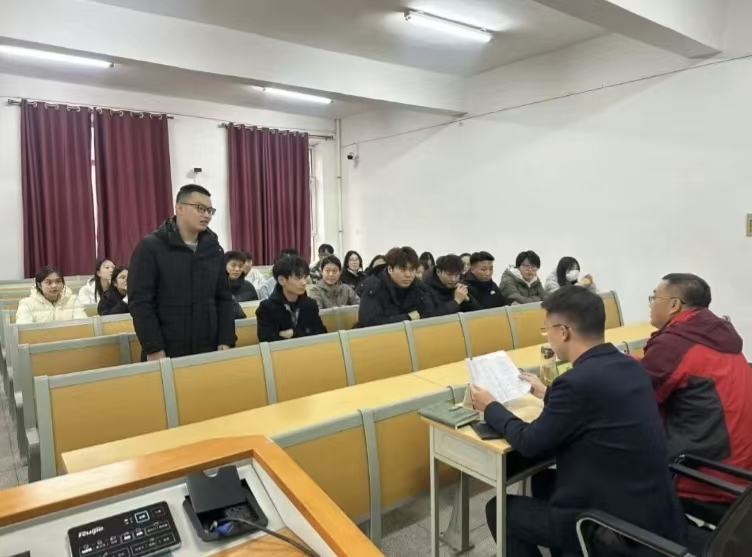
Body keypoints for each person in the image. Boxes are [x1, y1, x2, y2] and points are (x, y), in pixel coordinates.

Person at [470, 287, 687, 557]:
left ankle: (579, 544)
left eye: (546, 329)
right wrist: (547, 393)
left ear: (563, 332)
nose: (548, 337)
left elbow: (529, 442)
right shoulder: (630, 365)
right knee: (542, 479)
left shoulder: (574, 383)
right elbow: (598, 402)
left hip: (613, 529)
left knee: (500, 509)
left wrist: (490, 407)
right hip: (653, 512)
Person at [644, 273, 752, 524]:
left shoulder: (674, 345)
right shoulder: (714, 334)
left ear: (674, 305)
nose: (650, 304)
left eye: (654, 297)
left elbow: (634, 399)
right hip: (741, 468)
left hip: (705, 478)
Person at [128, 184, 235, 360]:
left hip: (209, 348)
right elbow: (140, 303)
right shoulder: (150, 248)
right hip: (166, 349)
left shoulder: (214, 250)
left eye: (210, 211)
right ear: (179, 208)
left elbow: (223, 298)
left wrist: (226, 339)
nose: (207, 215)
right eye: (200, 208)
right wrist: (153, 347)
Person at [357, 246, 440, 328]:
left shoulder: (419, 286)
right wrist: (407, 318)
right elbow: (370, 322)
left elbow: (431, 312)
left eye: (412, 269)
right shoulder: (374, 287)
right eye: (403, 269)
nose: (408, 275)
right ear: (390, 269)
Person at [256, 255, 327, 342]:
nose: (304, 283)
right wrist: (305, 331)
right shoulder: (266, 308)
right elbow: (266, 340)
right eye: (298, 278)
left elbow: (321, 332)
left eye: (305, 277)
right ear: (282, 280)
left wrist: (293, 333)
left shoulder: (310, 304)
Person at [16, 266, 87, 324]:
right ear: (39, 285)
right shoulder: (26, 304)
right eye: (49, 282)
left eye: (58, 281)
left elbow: (82, 325)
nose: (54, 286)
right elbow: (24, 331)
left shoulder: (73, 300)